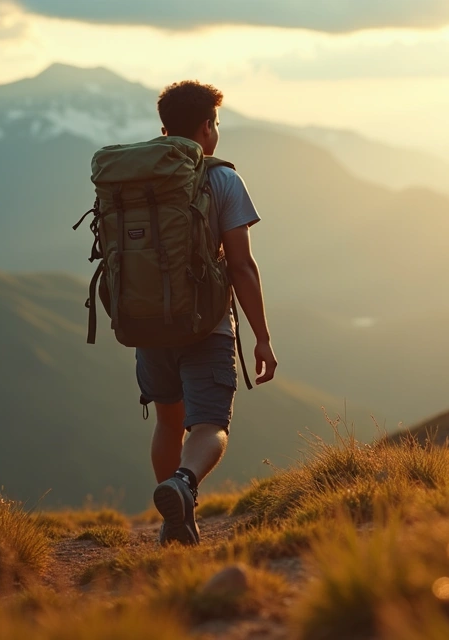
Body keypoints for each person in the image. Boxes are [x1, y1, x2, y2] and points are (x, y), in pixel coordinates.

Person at [137, 81, 277, 546]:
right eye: (215, 123)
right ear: (206, 127)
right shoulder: (222, 179)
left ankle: (175, 518)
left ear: (164, 129)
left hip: (149, 321)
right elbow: (241, 264)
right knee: (211, 424)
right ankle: (183, 485)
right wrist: (261, 336)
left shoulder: (136, 176)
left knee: (168, 422)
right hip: (207, 323)